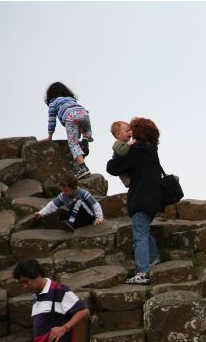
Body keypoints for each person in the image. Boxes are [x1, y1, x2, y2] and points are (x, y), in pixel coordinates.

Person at [105, 117, 164, 285]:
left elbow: (112, 168)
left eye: (133, 129)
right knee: (143, 230)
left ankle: (142, 272)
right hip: (155, 198)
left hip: (141, 198)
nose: (130, 132)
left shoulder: (136, 150)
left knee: (139, 235)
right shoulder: (152, 148)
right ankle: (154, 258)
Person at [45, 82, 94, 181]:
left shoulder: (53, 103)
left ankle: (83, 168)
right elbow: (80, 121)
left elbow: (51, 121)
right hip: (84, 113)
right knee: (86, 130)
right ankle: (85, 139)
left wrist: (50, 136)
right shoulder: (72, 99)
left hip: (70, 116)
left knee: (73, 144)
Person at [32, 176, 105, 231]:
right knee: (61, 213)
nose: (64, 192)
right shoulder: (63, 195)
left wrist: (99, 218)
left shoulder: (83, 193)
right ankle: (71, 225)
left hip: (88, 217)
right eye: (62, 190)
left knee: (77, 202)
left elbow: (95, 204)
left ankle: (71, 223)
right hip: (78, 218)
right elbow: (52, 205)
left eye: (66, 190)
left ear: (75, 188)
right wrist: (41, 213)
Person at [109, 120, 136, 188]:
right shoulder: (117, 143)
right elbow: (122, 152)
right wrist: (129, 144)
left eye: (130, 131)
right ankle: (126, 181)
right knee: (124, 174)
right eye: (127, 131)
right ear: (118, 134)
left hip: (128, 168)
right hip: (123, 172)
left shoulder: (126, 143)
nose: (130, 132)